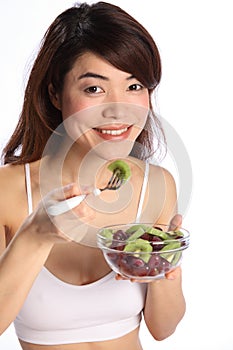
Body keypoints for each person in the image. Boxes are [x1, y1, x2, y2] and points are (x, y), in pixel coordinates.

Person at [0, 2, 186, 349]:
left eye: (134, 87)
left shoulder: (156, 185)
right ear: (55, 92)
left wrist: (164, 268)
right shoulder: (8, 191)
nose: (119, 108)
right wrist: (35, 236)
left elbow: (163, 328)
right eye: (94, 89)